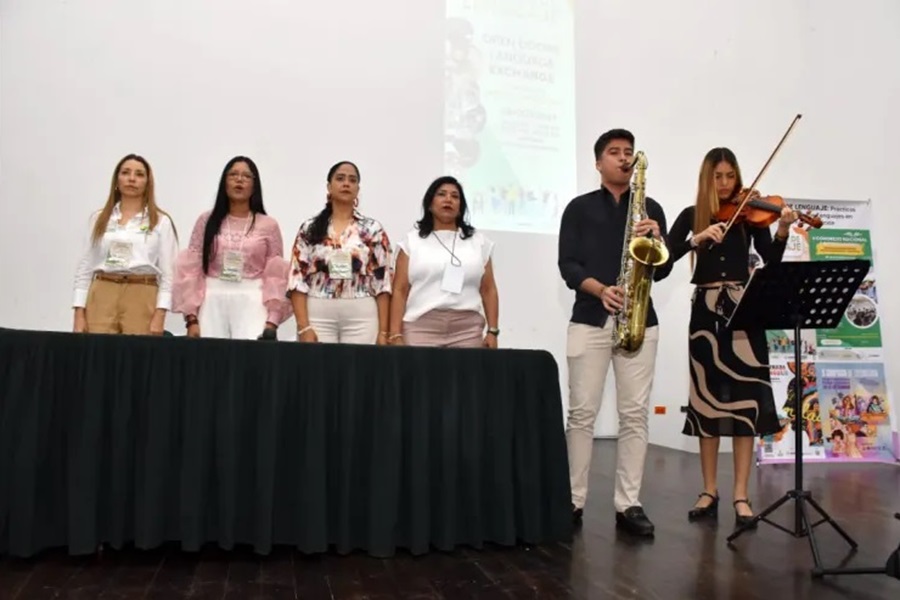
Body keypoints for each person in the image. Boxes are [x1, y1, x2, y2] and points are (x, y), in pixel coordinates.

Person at [666, 147, 798, 528]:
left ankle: (741, 494)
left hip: (744, 308)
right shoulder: (691, 216)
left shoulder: (751, 217)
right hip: (706, 309)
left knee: (747, 403)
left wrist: (784, 228)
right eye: (717, 177)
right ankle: (709, 490)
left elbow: (769, 260)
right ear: (707, 179)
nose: (725, 184)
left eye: (730, 176)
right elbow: (664, 256)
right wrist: (697, 238)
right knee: (707, 401)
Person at [557, 128, 673, 537]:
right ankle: (572, 500)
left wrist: (658, 238)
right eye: (614, 152)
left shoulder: (650, 208)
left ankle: (629, 503)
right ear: (598, 162)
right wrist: (601, 289)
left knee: (634, 416)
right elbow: (568, 265)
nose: (623, 158)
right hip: (590, 318)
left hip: (641, 321)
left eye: (629, 152)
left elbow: (666, 267)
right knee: (582, 414)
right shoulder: (578, 208)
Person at [172, 156, 291, 339]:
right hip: (212, 298)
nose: (239, 180)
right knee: (210, 362)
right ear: (224, 182)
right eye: (233, 175)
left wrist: (272, 320)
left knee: (249, 361)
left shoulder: (268, 225)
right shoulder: (206, 220)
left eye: (246, 176)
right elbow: (191, 269)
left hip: (252, 299)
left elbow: (276, 276)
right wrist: (192, 319)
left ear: (254, 185)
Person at [72, 154, 178, 335]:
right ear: (116, 180)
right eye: (126, 173)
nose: (131, 179)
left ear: (147, 183)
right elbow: (85, 267)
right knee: (99, 355)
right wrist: (79, 313)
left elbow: (170, 273)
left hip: (142, 292)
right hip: (103, 291)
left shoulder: (160, 221)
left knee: (138, 358)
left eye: (139, 174)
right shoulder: (99, 219)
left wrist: (160, 313)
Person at [288, 161, 392, 344]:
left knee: (358, 371)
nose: (346, 184)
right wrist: (303, 326)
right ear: (329, 187)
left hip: (362, 314)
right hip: (318, 312)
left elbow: (383, 282)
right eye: (340, 179)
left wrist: (384, 332)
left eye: (352, 180)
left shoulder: (373, 229)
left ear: (358, 189)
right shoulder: (310, 228)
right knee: (318, 371)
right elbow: (297, 279)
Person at [388, 175, 499, 348]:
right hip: (421, 326)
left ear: (461, 207)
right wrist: (395, 334)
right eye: (442, 194)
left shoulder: (479, 242)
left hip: (467, 329)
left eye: (455, 196)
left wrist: (493, 331)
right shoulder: (411, 241)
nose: (448, 199)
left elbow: (488, 289)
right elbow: (400, 290)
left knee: (466, 376)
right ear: (430, 204)